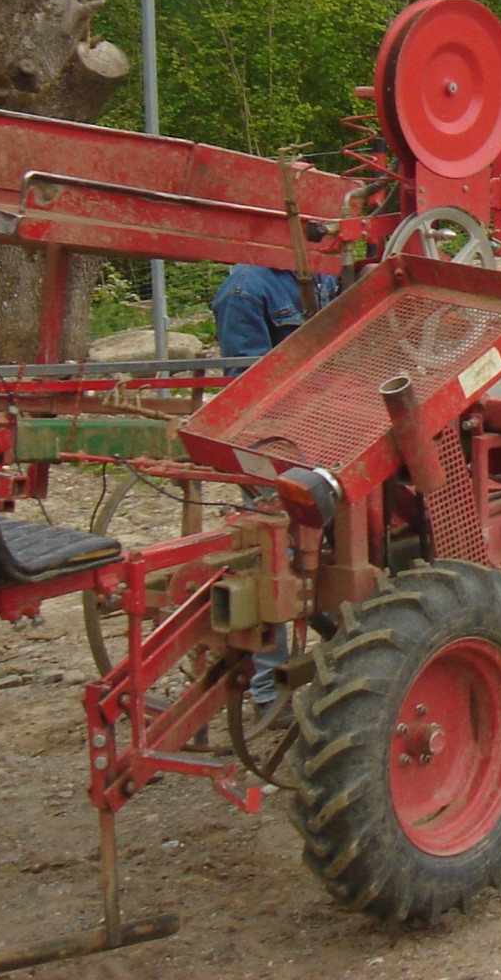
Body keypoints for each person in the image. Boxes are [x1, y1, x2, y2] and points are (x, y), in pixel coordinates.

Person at [210, 264, 335, 709]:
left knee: (335, 546)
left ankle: (346, 646)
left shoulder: (322, 273)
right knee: (274, 556)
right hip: (272, 443)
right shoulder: (244, 290)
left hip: (324, 433)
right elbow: (248, 387)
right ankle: (269, 693)